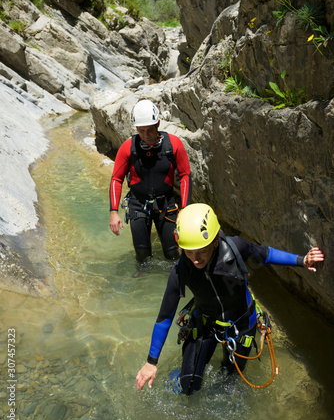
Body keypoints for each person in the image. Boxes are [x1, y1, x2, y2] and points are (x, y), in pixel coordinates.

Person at [135, 203, 325, 395]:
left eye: (202, 250)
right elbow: (164, 318)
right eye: (189, 251)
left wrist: (302, 260)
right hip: (206, 324)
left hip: (241, 324)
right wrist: (151, 362)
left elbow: (266, 254)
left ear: (215, 240)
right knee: (188, 387)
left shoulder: (235, 249)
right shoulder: (180, 271)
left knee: (229, 379)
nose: (196, 258)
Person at [109, 99, 192, 262]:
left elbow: (185, 176)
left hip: (166, 205)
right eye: (141, 131)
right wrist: (113, 212)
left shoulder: (173, 144)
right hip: (138, 204)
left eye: (150, 130)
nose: (146, 135)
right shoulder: (128, 147)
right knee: (142, 257)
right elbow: (116, 179)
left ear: (158, 124)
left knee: (172, 255)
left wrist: (185, 209)